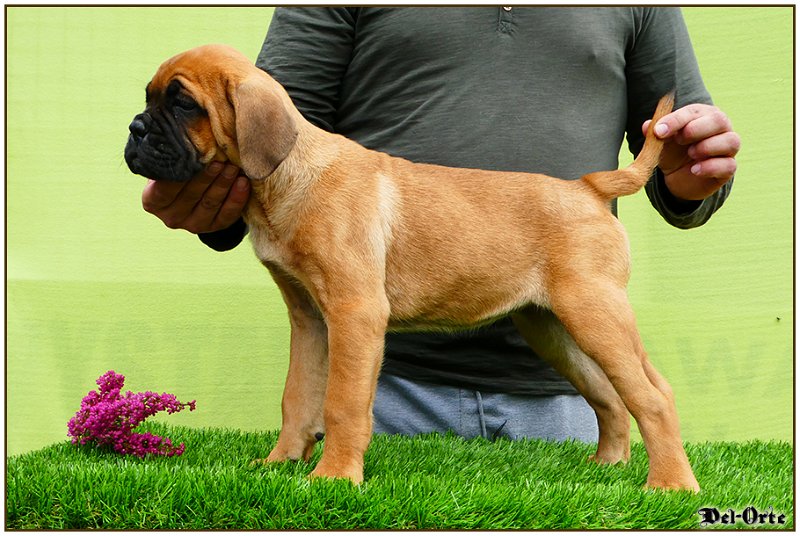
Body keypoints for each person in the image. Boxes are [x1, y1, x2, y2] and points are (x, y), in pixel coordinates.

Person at [142, 7, 739, 443]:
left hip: (558, 392)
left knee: (618, 361)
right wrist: (208, 206)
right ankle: (314, 443)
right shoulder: (262, 119)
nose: (151, 122)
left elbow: (680, 148)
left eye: (182, 106)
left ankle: (653, 450)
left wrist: (692, 175)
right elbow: (273, 140)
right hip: (393, 391)